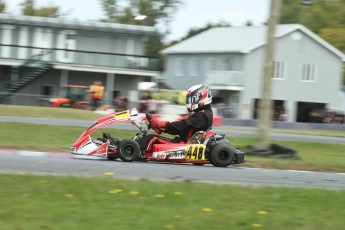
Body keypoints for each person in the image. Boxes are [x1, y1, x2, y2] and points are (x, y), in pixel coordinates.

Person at [135, 84, 213, 150]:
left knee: (152, 138)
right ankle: (133, 146)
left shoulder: (203, 115)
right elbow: (180, 129)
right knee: (146, 137)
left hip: (184, 145)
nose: (190, 102)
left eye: (192, 99)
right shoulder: (206, 113)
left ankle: (132, 149)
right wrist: (163, 128)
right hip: (185, 143)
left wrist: (162, 125)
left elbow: (182, 125)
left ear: (200, 98)